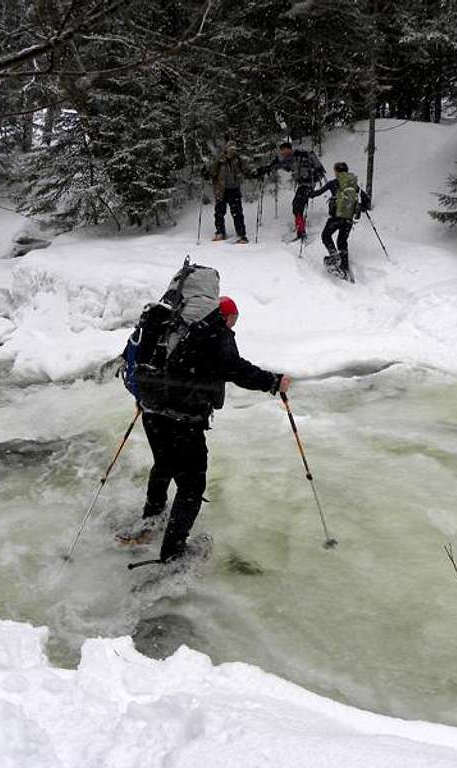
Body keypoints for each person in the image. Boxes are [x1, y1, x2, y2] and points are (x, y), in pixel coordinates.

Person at [122, 284, 292, 563]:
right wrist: (273, 381)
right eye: (233, 319)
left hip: (153, 411)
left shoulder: (169, 323)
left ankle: (150, 521)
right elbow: (235, 369)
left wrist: (145, 395)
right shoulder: (210, 332)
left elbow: (136, 358)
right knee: (191, 486)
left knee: (164, 464)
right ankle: (173, 554)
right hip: (184, 419)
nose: (233, 324)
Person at [309, 161, 369, 279]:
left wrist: (308, 194)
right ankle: (344, 267)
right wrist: (360, 207)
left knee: (326, 236)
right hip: (348, 219)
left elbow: (317, 193)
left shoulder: (333, 183)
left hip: (336, 217)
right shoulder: (353, 185)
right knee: (342, 241)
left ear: (337, 171)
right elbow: (366, 201)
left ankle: (334, 257)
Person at [262, 141, 325, 240]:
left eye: (284, 150)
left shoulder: (301, 155)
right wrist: (266, 169)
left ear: (289, 149)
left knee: (297, 205)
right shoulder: (289, 159)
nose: (282, 153)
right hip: (302, 184)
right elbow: (278, 163)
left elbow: (318, 169)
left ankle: (301, 232)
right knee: (298, 206)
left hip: (308, 183)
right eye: (281, 151)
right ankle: (300, 228)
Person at [211, 141, 249, 243]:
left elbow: (244, 171)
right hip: (221, 190)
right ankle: (220, 232)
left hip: (234, 189)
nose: (233, 151)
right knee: (219, 212)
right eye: (231, 149)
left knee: (237, 213)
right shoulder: (219, 160)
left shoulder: (238, 160)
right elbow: (213, 172)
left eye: (234, 149)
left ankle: (241, 234)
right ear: (226, 149)